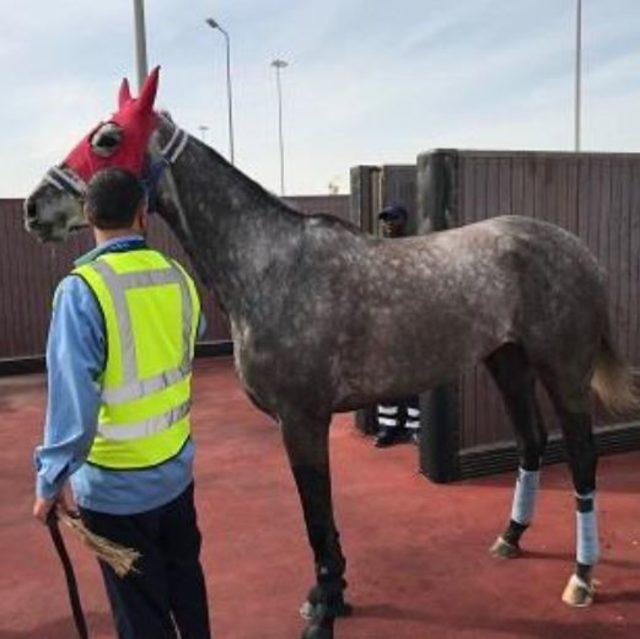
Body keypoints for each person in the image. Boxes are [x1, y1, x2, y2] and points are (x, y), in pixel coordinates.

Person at [32, 168, 211, 639]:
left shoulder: (82, 290)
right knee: (187, 589)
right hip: (175, 472)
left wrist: (52, 480)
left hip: (114, 491)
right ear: (143, 213)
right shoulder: (178, 277)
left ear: (87, 215)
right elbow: (195, 337)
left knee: (140, 613)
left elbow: (73, 399)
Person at [374, 205, 422, 448]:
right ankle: (388, 427)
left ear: (404, 221)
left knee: (414, 376)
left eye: (393, 219)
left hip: (410, 322)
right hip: (384, 323)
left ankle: (414, 427)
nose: (388, 224)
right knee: (385, 378)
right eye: (385, 220)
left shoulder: (415, 249)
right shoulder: (376, 251)